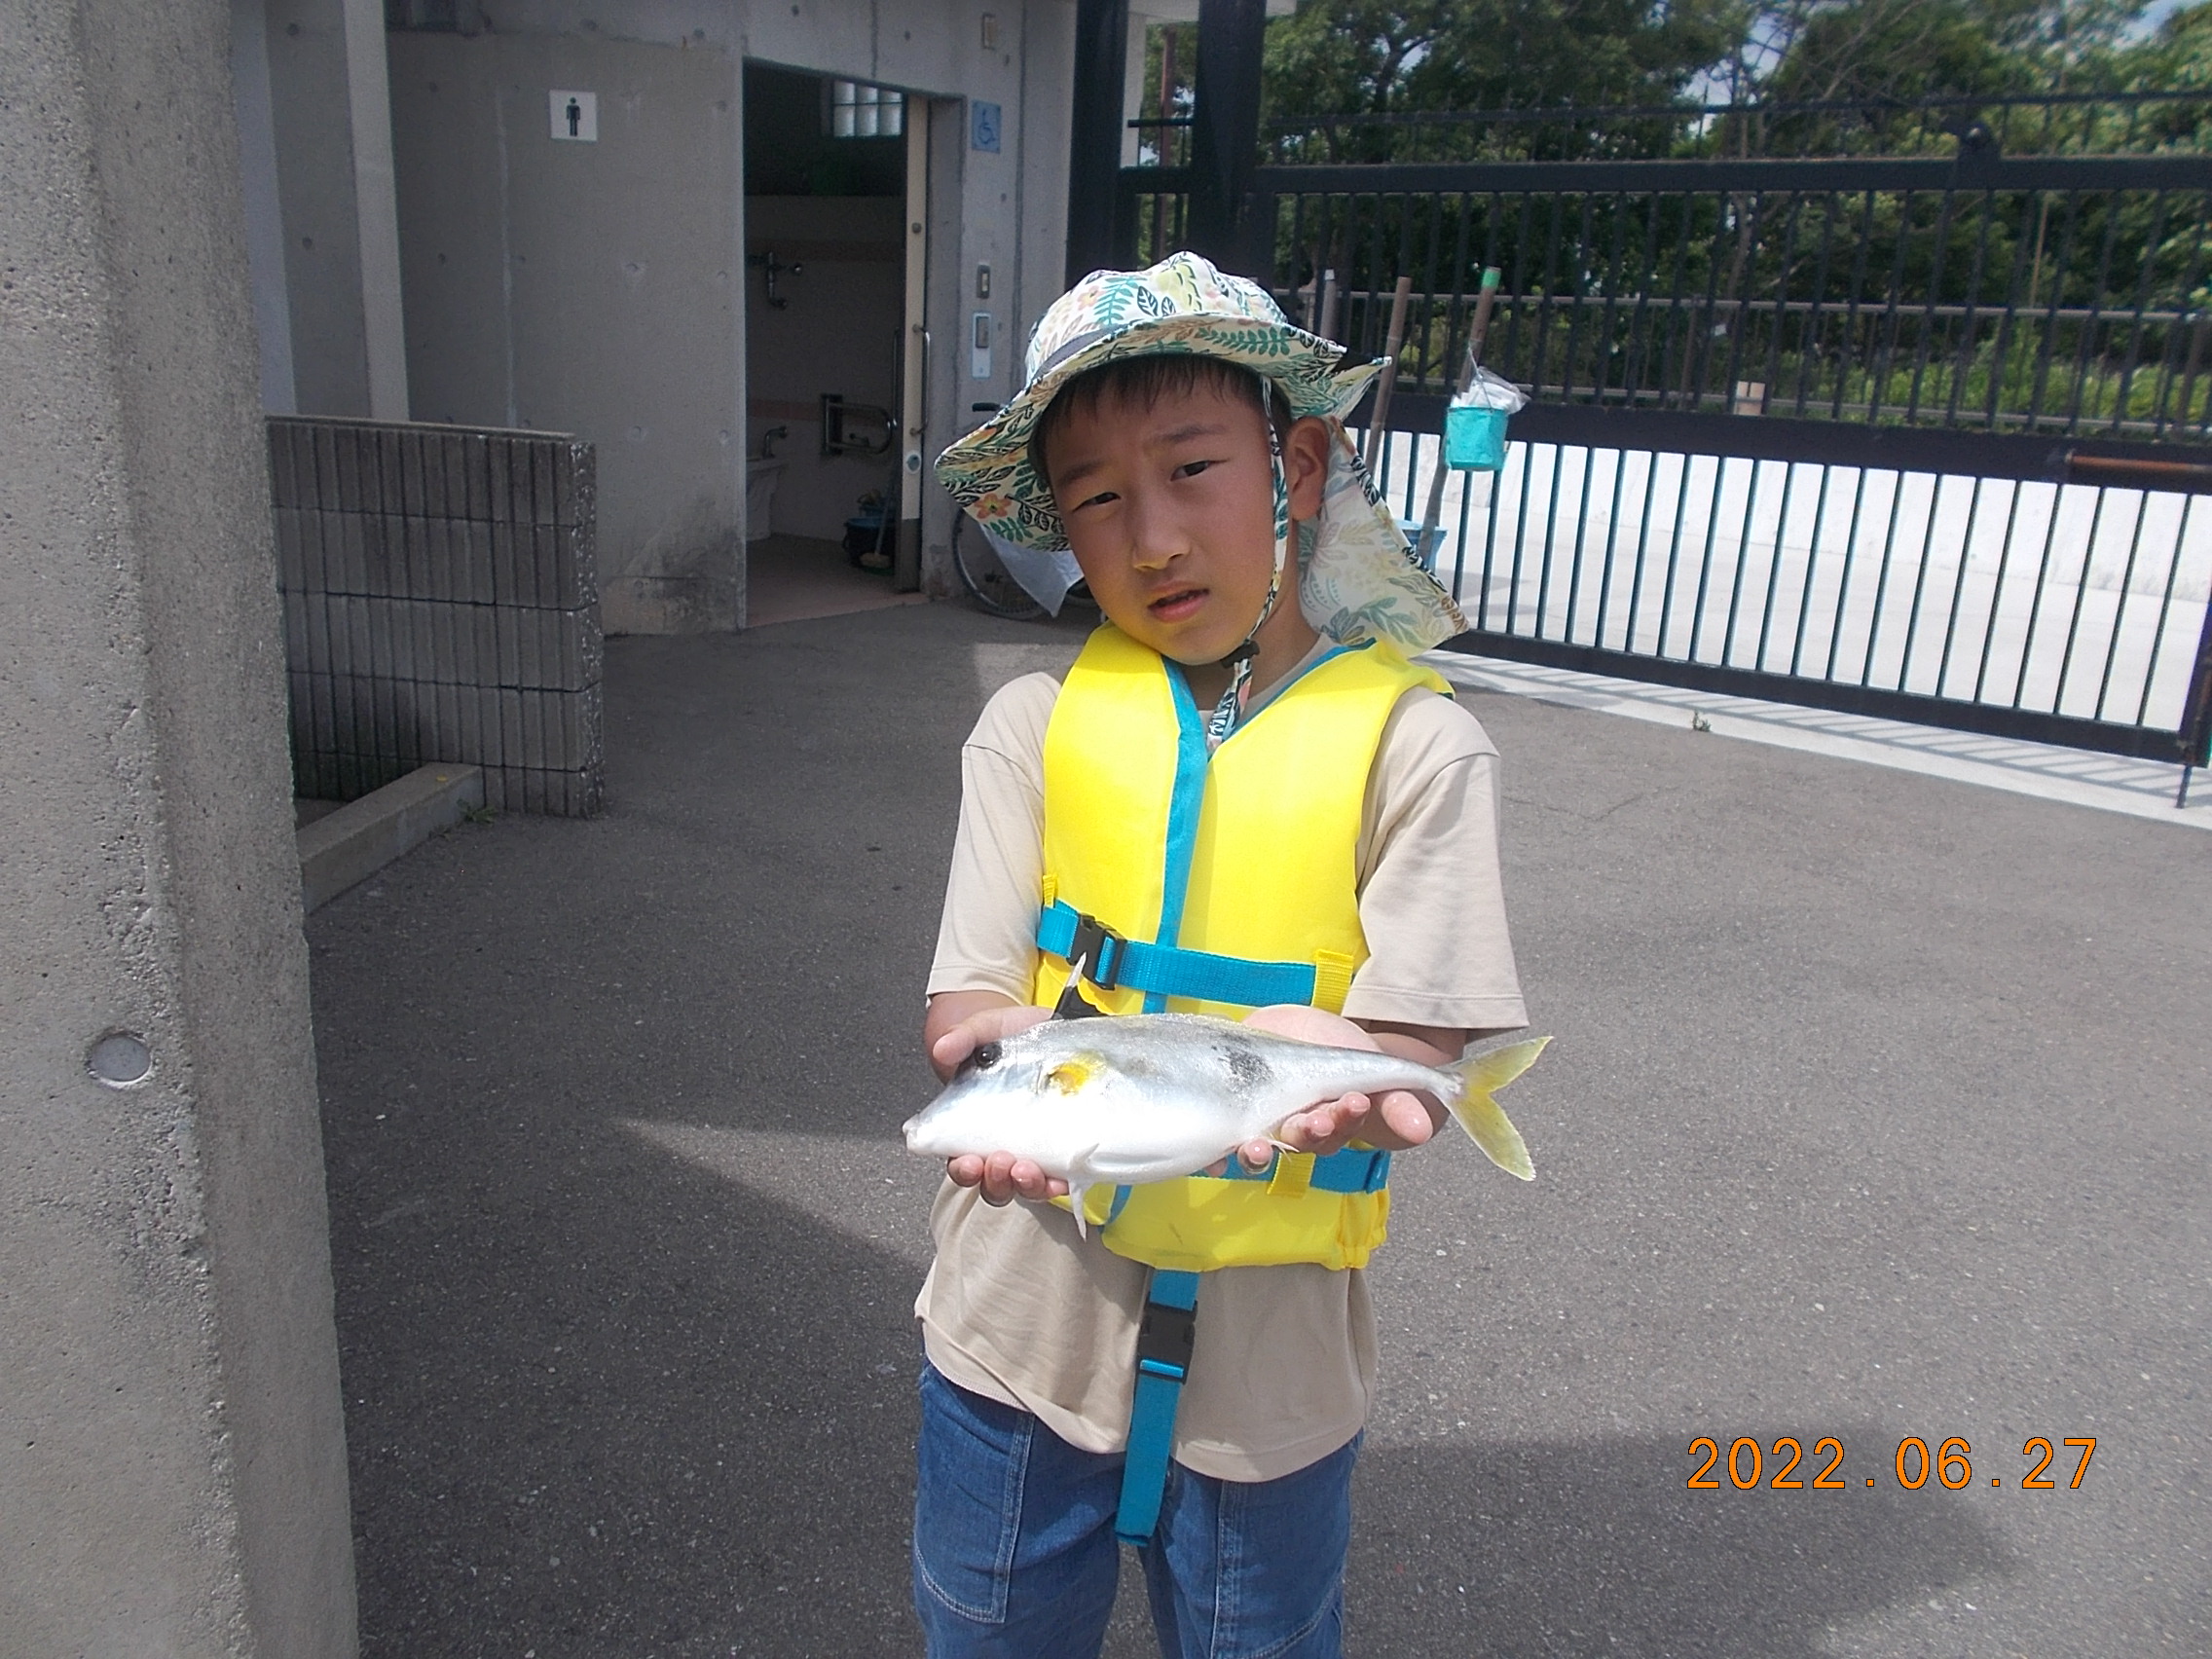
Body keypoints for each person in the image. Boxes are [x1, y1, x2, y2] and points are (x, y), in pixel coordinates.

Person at [915, 252, 1530, 1659]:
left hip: (1273, 1378)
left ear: (1297, 465)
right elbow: (972, 999)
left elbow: (1415, 1054)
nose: (1152, 539)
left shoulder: (1421, 747)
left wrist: (1368, 1077)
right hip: (1017, 1327)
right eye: (1096, 498)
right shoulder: (1029, 726)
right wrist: (985, 1058)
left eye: (1194, 470)